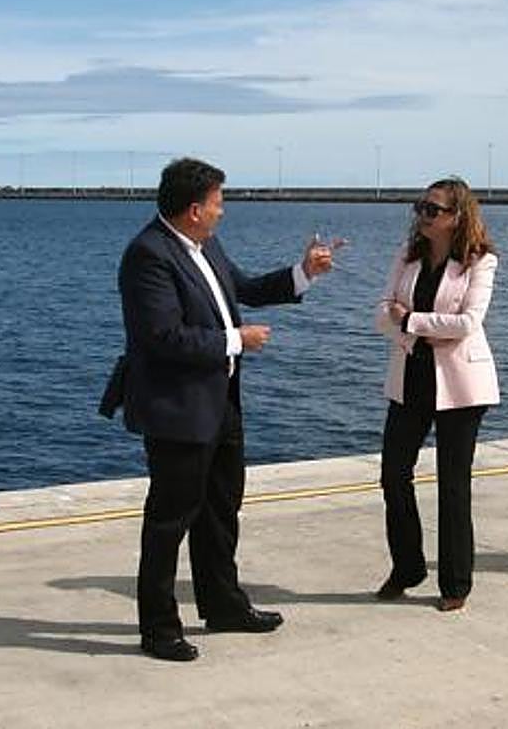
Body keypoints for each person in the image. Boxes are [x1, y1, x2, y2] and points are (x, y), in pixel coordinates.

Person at [117, 157, 333, 662]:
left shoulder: (204, 245)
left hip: (220, 405)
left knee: (220, 511)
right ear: (194, 209)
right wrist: (235, 340)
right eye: (218, 203)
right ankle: (158, 628)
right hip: (178, 411)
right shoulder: (147, 255)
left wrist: (304, 273)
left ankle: (223, 604)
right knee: (169, 521)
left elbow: (247, 289)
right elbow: (162, 337)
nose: (223, 212)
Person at [374, 177, 498, 612]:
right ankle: (407, 568)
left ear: (457, 217)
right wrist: (411, 329)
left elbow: (468, 323)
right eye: (420, 206)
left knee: (453, 484)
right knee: (393, 474)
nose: (423, 215)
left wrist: (411, 322)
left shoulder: (480, 262)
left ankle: (456, 582)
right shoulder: (408, 257)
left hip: (462, 386)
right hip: (410, 376)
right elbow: (382, 314)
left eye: (433, 209)